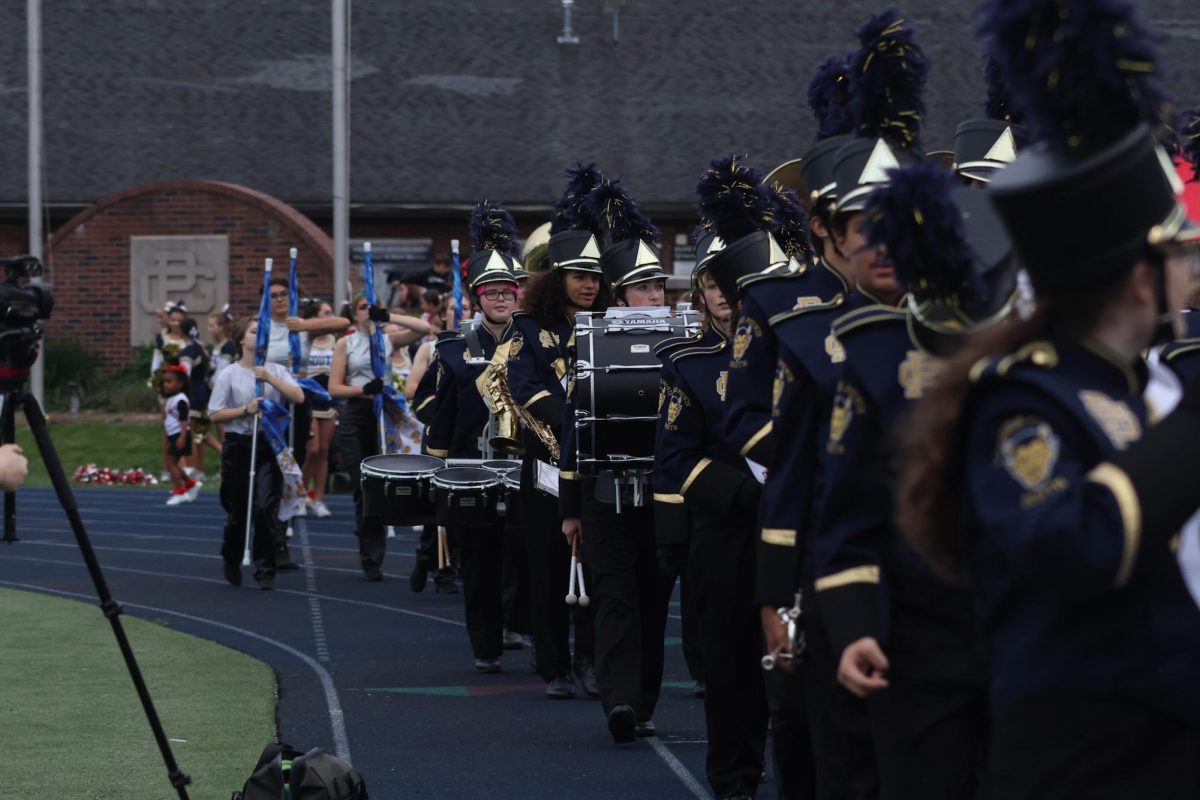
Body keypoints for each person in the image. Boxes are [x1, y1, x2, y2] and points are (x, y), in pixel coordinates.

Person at [895, 1, 1200, 796]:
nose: (1193, 272)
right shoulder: (1023, 402)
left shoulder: (1143, 382)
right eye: (1179, 253)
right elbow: (1075, 546)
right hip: (1083, 756)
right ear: (1138, 274)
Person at [556, 177, 675, 743]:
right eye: (644, 288)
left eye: (659, 287)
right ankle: (619, 701)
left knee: (653, 602)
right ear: (620, 296)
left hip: (660, 492)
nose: (655, 297)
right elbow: (576, 429)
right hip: (604, 494)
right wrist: (571, 505)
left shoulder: (684, 344)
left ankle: (643, 700)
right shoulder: (591, 343)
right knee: (613, 598)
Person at [656, 236, 766, 800]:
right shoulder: (690, 366)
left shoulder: (801, 348)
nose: (726, 295)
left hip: (802, 526)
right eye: (714, 283)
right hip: (729, 531)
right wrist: (748, 493)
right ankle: (734, 776)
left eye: (736, 283)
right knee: (730, 663)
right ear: (701, 291)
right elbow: (675, 456)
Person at [506, 164, 606, 700]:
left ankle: (589, 659)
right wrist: (575, 418)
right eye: (579, 276)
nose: (589, 285)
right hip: (545, 465)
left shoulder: (607, 327)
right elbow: (524, 386)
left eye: (595, 277)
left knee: (593, 567)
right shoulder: (528, 328)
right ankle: (553, 665)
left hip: (593, 465)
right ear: (558, 277)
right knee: (547, 569)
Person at [424, 200, 522, 672]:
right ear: (477, 298)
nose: (501, 299)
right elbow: (429, 405)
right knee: (480, 562)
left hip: (524, 465)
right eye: (492, 292)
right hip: (470, 469)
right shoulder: (452, 348)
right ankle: (486, 644)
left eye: (508, 292)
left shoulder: (536, 345)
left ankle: (515, 624)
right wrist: (439, 463)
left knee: (521, 554)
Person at [328, 292, 431, 581]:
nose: (368, 312)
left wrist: (387, 318)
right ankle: (367, 548)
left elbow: (423, 329)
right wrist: (363, 389)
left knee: (377, 485)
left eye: (372, 308)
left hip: (382, 413)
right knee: (361, 484)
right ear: (354, 311)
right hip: (356, 412)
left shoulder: (387, 340)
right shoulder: (345, 343)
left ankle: (374, 554)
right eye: (363, 308)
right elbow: (334, 388)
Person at [208, 316, 304, 590]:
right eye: (253, 331)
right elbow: (214, 413)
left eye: (261, 331)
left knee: (265, 507)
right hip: (239, 445)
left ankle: (265, 568)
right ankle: (232, 556)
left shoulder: (275, 369)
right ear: (241, 339)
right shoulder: (228, 374)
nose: (258, 335)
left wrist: (270, 378)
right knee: (238, 509)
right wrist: (244, 410)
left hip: (269, 444)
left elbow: (298, 397)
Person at [301, 298, 339, 517]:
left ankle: (319, 498)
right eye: (326, 312)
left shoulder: (335, 340)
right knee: (311, 450)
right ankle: (300, 494)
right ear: (315, 317)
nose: (330, 315)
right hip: (308, 398)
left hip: (328, 399)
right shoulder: (306, 338)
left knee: (324, 451)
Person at [179, 316, 219, 478]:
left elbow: (184, 376)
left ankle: (194, 470)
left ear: (182, 333)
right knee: (200, 434)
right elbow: (212, 369)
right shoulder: (201, 348)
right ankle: (201, 468)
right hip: (204, 394)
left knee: (192, 434)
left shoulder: (187, 352)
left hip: (192, 395)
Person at [160, 365, 198, 506]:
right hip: (173, 435)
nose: (165, 384)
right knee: (173, 463)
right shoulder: (172, 398)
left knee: (170, 464)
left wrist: (182, 437)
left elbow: (184, 421)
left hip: (180, 435)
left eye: (169, 381)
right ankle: (190, 484)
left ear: (180, 384)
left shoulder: (181, 399)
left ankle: (180, 491)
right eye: (165, 381)